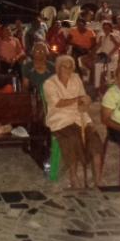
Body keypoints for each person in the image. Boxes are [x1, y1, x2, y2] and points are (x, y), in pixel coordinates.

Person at [43, 55, 103, 188]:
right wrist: (78, 100)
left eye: (71, 67)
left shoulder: (76, 78)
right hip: (60, 120)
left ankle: (98, 180)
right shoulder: (49, 83)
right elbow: (57, 103)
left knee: (94, 139)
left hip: (79, 117)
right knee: (73, 139)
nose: (68, 69)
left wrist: (85, 102)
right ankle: (73, 176)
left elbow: (83, 98)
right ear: (58, 68)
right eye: (65, 66)